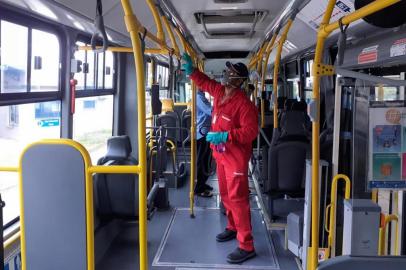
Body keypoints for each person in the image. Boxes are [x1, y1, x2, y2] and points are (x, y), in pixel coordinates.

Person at [182, 53, 258, 264]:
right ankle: (232, 227)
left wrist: (227, 135)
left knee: (238, 199)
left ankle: (246, 245)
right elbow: (205, 83)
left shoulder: (244, 105)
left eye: (232, 73)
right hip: (222, 156)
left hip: (235, 158)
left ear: (239, 80)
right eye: (228, 71)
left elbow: (251, 131)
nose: (228, 75)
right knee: (225, 195)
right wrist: (192, 72)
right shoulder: (219, 92)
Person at [195, 89, 214, 197]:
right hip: (202, 132)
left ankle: (203, 183)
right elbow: (210, 111)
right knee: (202, 160)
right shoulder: (199, 97)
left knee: (206, 159)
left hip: (205, 131)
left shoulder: (201, 96)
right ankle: (199, 188)